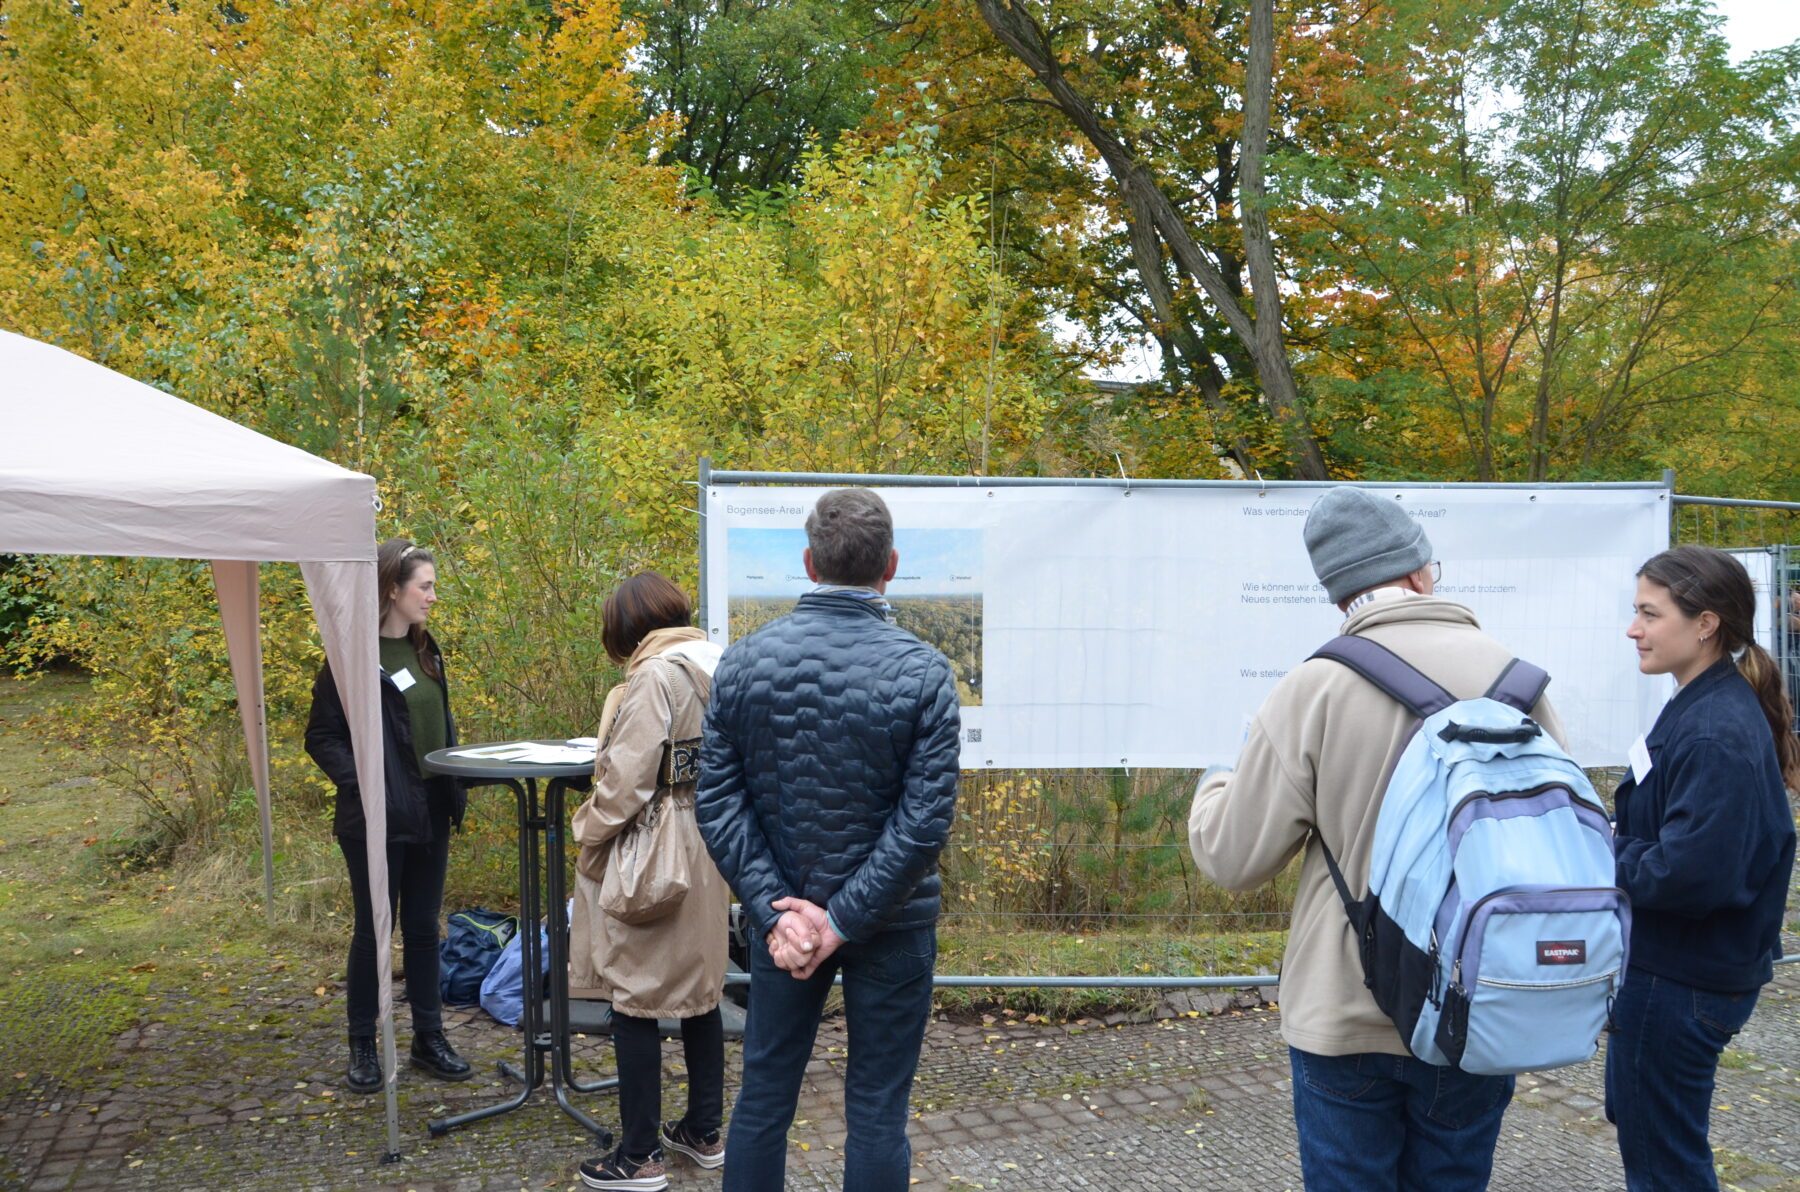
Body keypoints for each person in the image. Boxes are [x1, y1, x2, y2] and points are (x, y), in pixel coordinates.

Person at [1187, 486, 1564, 1190]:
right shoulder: (1518, 680)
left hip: (1348, 1010)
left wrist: (1220, 775)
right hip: (1477, 1000)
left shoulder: (1315, 688)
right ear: (1422, 572)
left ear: (1341, 596)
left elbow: (1231, 858)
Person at [695, 488, 961, 1192]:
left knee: (763, 1101)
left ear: (809, 563)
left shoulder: (743, 664)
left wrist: (780, 909)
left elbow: (718, 802)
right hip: (893, 922)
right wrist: (839, 922)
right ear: (892, 567)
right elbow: (924, 821)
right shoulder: (924, 672)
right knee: (876, 1113)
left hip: (783, 924)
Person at [1607, 545, 1799, 1191]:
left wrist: (1598, 852)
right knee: (1651, 1134)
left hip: (1681, 981)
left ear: (1706, 623)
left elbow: (1689, 874)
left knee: (1665, 1166)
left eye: (1649, 613)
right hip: (1676, 973)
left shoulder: (1715, 728)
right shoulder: (1702, 703)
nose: (1634, 629)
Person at [570, 572, 728, 1192]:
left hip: (653, 843)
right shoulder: (717, 664)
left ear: (628, 629)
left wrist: (589, 828)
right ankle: (703, 1131)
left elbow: (628, 782)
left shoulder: (653, 677)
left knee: (633, 994)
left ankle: (638, 1157)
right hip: (709, 839)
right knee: (700, 988)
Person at [304, 538, 471, 1093]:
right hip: (374, 818)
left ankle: (429, 1037)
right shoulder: (351, 656)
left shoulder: (428, 650)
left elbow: (437, 722)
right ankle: (363, 1047)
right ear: (392, 590)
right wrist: (366, 784)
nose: (432, 596)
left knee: (424, 929)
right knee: (375, 932)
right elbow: (322, 737)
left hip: (431, 808)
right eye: (424, 586)